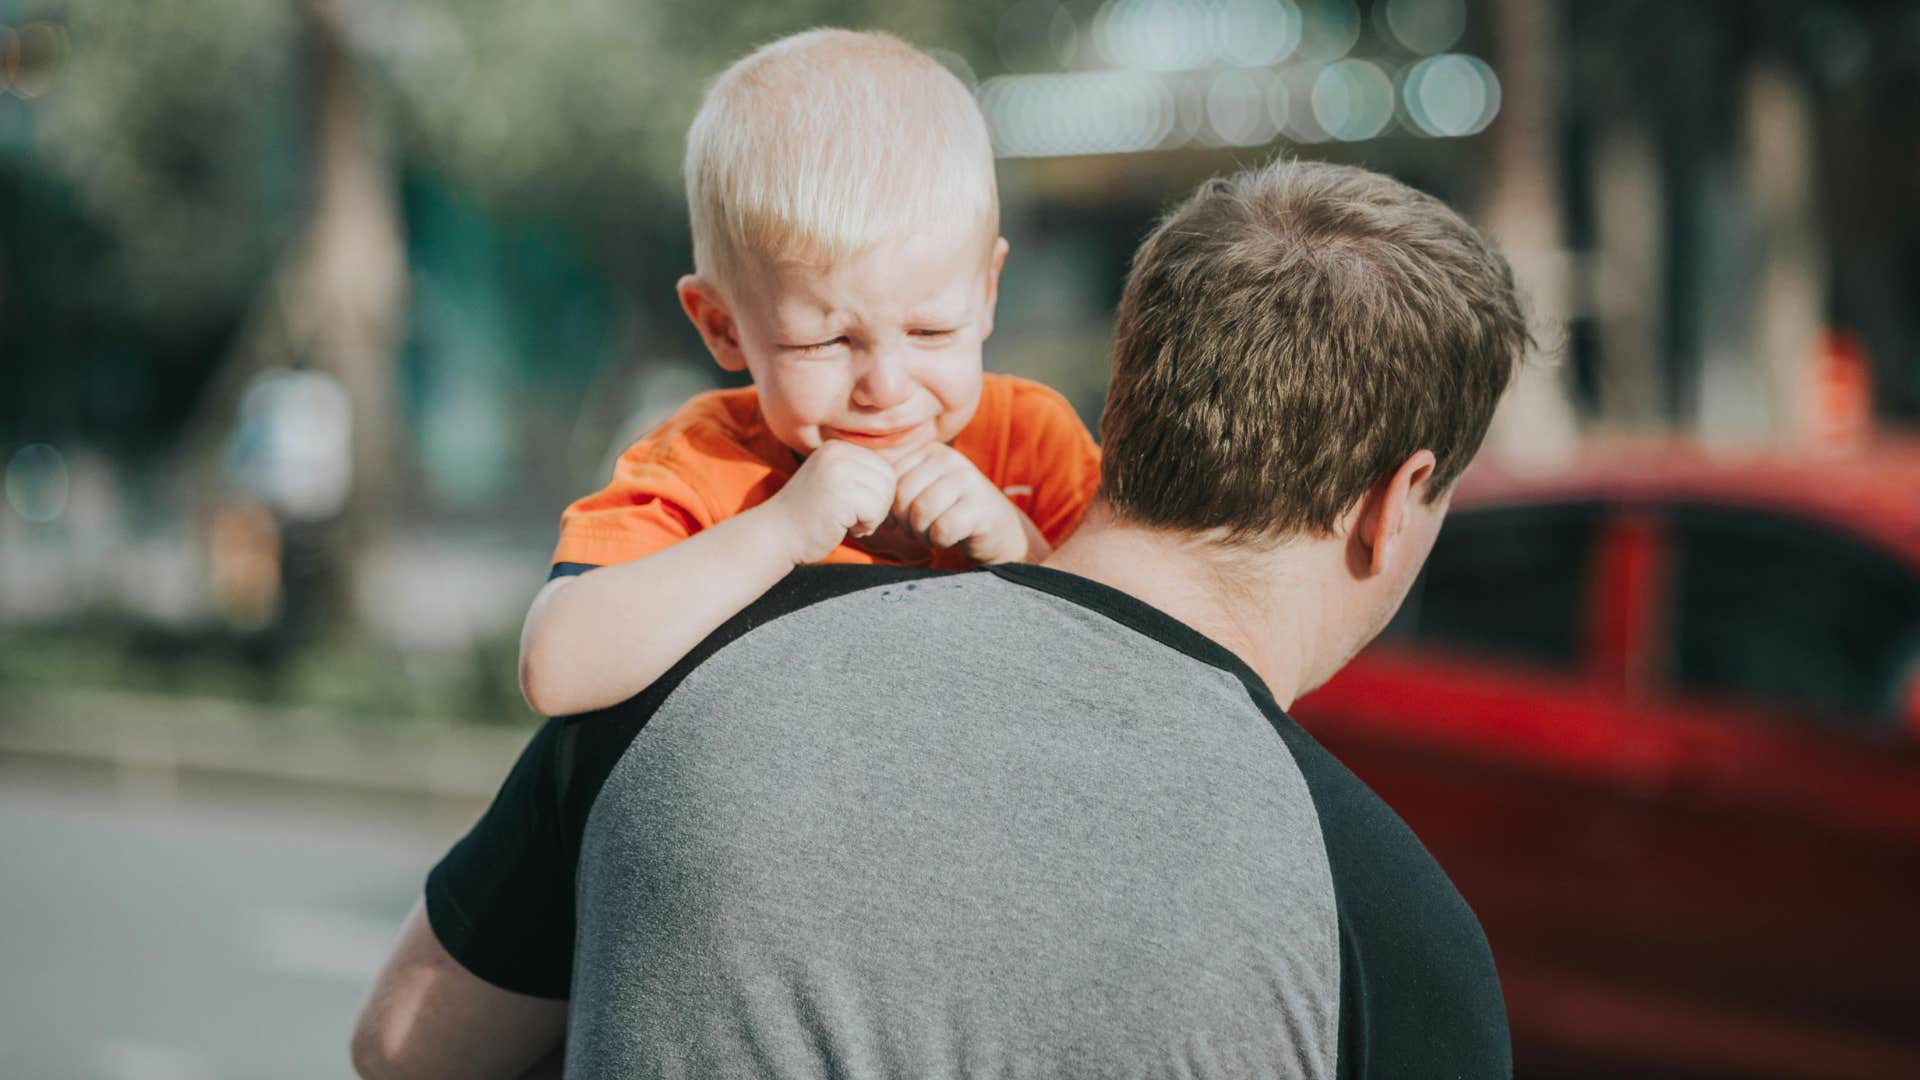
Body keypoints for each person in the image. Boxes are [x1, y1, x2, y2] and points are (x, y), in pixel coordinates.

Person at [353, 157, 1530, 1079]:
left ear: (1130, 397)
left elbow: (405, 1047)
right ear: (1391, 505)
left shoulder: (687, 671)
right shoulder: (1388, 927)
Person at [516, 29, 1102, 719]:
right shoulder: (703, 466)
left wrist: (1019, 548)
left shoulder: (1032, 443)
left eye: (930, 331)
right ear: (721, 326)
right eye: (825, 342)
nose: (885, 387)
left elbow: (1141, 670)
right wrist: (778, 531)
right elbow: (557, 670)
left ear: (988, 294)